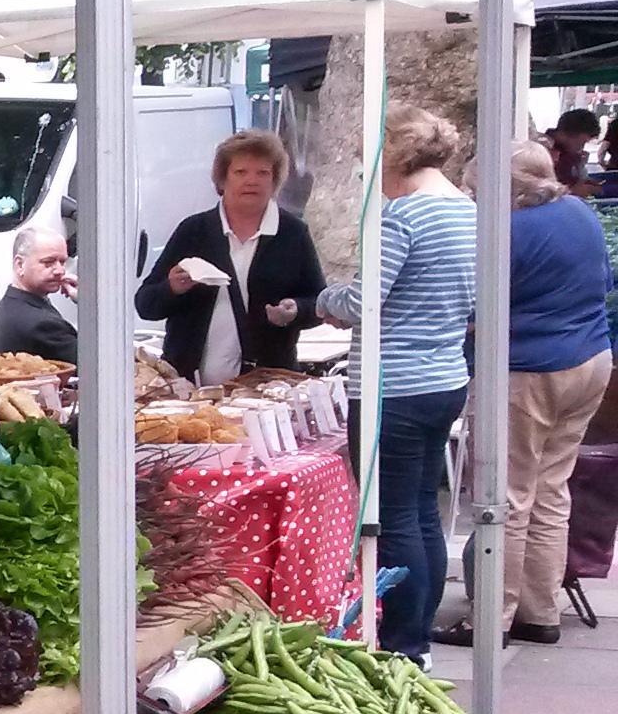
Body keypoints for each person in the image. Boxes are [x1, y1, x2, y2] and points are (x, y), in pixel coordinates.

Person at [317, 105, 479, 663]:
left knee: (391, 517)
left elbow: (364, 301)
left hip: (395, 385)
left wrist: (323, 299)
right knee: (424, 512)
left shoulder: (403, 217)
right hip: (444, 378)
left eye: (370, 162)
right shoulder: (468, 211)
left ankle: (402, 644)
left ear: (394, 154)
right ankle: (419, 636)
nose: (370, 177)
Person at [438, 143, 614, 647]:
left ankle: (492, 617)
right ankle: (541, 610)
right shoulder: (579, 212)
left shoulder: (505, 232)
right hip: (590, 359)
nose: (474, 198)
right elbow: (601, 281)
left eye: (477, 189)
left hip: (529, 369)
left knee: (506, 497)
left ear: (505, 189)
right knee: (552, 491)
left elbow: (475, 302)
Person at [134, 130, 328, 384]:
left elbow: (319, 303)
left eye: (263, 173)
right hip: (190, 389)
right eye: (241, 172)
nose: (252, 181)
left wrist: (294, 311)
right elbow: (146, 305)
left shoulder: (292, 233)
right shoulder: (194, 231)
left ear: (274, 181)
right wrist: (172, 288)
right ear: (222, 180)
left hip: (267, 388)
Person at [0, 224, 81, 363]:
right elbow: (101, 362)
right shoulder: (42, 324)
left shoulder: (10, 304)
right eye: (48, 263)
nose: (60, 270)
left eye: (62, 262)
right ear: (20, 265)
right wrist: (89, 303)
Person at [547, 108, 601, 193]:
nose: (582, 148)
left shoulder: (568, 153)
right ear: (565, 135)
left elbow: (570, 180)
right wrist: (572, 191)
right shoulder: (543, 152)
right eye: (582, 142)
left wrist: (582, 175)